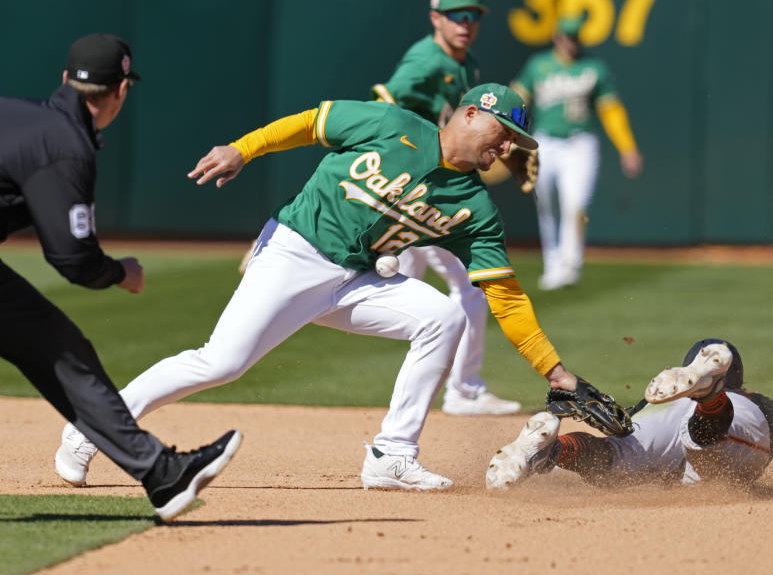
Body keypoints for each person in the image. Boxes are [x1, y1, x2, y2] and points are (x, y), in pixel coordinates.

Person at [56, 82, 615, 492]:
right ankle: (92, 429)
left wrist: (557, 373)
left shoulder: (475, 208)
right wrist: (242, 149)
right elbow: (305, 124)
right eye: (504, 132)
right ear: (471, 114)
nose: (508, 148)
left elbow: (507, 298)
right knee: (220, 363)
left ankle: (391, 455)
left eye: (517, 140)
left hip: (358, 280)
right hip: (295, 252)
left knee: (443, 317)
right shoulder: (388, 123)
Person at [1, 33, 241, 522]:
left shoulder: (24, 115)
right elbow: (71, 259)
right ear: (121, 91)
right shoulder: (64, 143)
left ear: (67, 78)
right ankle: (161, 472)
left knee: (57, 346)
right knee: (56, 347)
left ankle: (162, 472)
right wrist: (119, 272)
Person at [369, 0, 523, 416]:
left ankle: (439, 392)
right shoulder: (425, 59)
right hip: (418, 185)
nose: (466, 23)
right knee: (470, 288)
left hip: (432, 185)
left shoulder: (468, 63)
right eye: (458, 15)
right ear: (436, 17)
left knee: (409, 285)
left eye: (474, 16)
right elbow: (381, 107)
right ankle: (464, 390)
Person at [486, 338, 773, 490]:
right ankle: (710, 397)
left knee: (613, 461)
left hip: (658, 411)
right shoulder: (764, 406)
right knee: (711, 448)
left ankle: (552, 450)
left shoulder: (659, 398)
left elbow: (618, 436)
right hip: (737, 416)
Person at [510, 15, 644, 291]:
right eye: (566, 37)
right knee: (546, 203)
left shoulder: (593, 68)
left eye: (574, 37)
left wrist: (627, 147)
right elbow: (517, 98)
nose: (571, 42)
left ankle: (570, 264)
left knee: (576, 202)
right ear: (557, 37)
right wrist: (508, 133)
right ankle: (553, 265)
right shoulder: (539, 65)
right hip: (545, 141)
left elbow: (611, 110)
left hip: (580, 142)